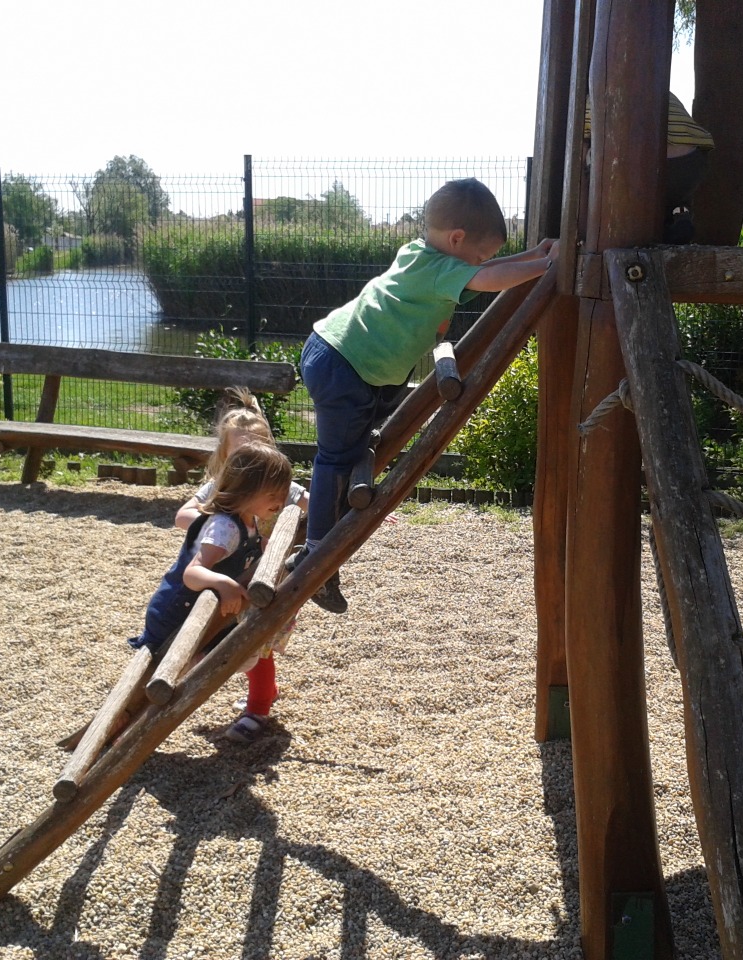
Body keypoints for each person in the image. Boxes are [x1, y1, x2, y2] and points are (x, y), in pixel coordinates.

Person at [291, 177, 559, 613]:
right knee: (335, 460)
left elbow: (487, 269)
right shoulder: (438, 270)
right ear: (457, 239)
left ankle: (315, 544)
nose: (481, 264)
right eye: (479, 255)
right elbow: (490, 278)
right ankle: (315, 557)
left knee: (380, 407)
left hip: (339, 355)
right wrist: (547, 265)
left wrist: (535, 255)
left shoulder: (421, 255)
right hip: (344, 365)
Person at [128, 441, 294, 742]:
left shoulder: (249, 520)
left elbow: (251, 550)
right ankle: (129, 730)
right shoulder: (224, 527)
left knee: (246, 651)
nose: (280, 501)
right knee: (167, 677)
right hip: (176, 616)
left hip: (205, 615)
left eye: (282, 493)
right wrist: (224, 583)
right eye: (272, 494)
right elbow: (193, 573)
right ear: (245, 491)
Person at [173, 388, 308, 740]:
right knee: (236, 639)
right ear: (226, 456)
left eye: (257, 451)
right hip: (232, 577)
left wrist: (352, 512)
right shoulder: (220, 488)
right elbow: (182, 516)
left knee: (256, 643)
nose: (250, 463)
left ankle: (258, 708)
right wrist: (221, 524)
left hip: (268, 579)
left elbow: (316, 505)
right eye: (241, 455)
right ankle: (263, 694)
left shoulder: (281, 487)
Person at [584, 91, 715, 244]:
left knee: (592, 154)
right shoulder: (660, 89)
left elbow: (580, 147)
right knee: (675, 197)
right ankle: (680, 217)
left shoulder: (596, 95)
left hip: (650, 167)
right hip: (693, 161)